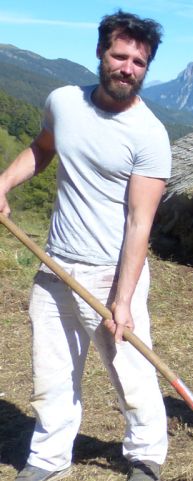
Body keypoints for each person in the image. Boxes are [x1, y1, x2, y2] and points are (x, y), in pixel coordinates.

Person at [0, 10, 171, 481]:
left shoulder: (150, 135)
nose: (127, 68)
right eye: (120, 56)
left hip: (112, 272)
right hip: (54, 264)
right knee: (51, 370)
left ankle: (146, 455)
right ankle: (49, 460)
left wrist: (123, 297)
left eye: (139, 62)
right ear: (100, 53)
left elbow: (140, 222)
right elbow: (43, 147)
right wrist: (3, 183)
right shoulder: (63, 102)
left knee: (131, 370)